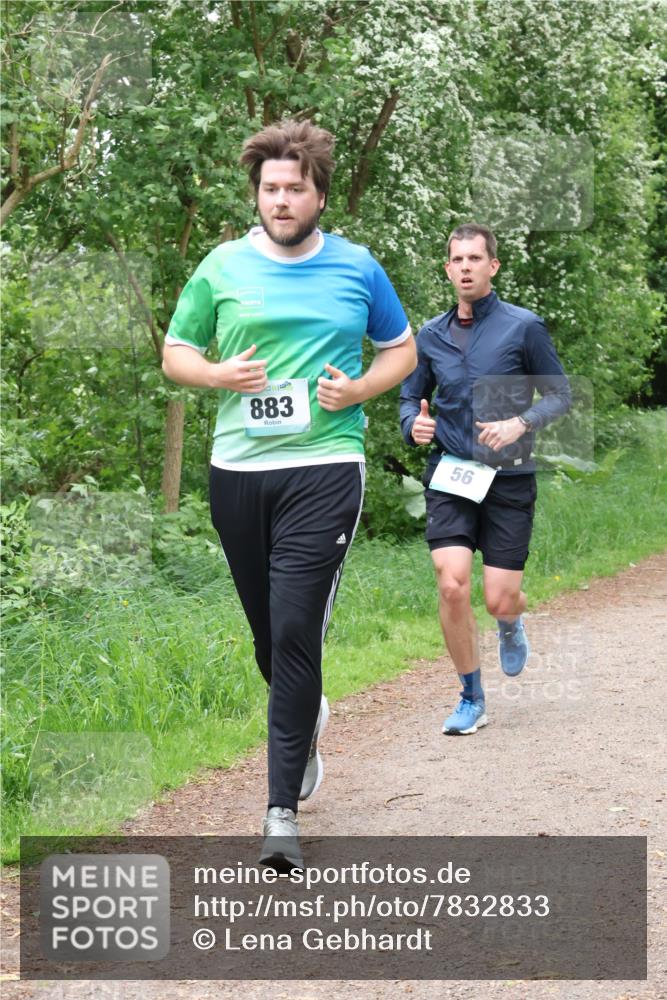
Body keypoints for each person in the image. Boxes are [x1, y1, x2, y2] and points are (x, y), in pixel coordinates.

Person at [162, 119, 416, 867]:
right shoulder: (220, 267)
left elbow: (399, 347)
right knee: (269, 639)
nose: (280, 199)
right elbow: (176, 351)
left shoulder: (356, 267)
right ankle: (305, 719)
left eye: (294, 188)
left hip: (325, 465)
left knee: (298, 628)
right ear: (257, 194)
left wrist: (362, 388)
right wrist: (216, 375)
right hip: (238, 472)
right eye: (269, 189)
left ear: (318, 194)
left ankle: (280, 814)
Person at [399, 223, 570, 736]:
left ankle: (510, 624)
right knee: (451, 584)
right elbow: (410, 397)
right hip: (451, 474)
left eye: (476, 258)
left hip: (510, 478)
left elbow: (560, 395)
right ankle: (471, 696)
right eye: (458, 259)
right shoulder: (428, 336)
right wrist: (414, 424)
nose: (467, 267)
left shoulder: (523, 328)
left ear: (493, 266)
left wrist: (522, 422)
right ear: (448, 268)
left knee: (498, 598)